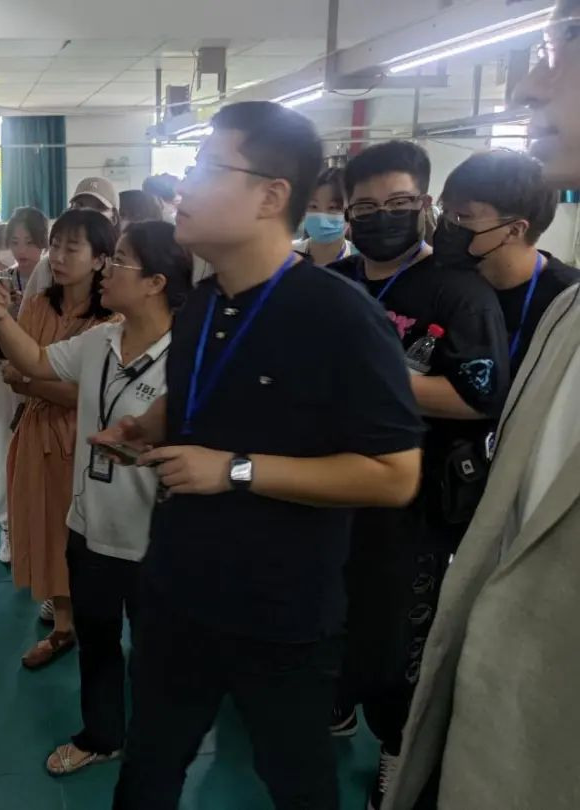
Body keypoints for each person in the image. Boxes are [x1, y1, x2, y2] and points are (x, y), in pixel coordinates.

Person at [93, 101, 425, 810]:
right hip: (177, 594)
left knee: (298, 785)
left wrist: (235, 470)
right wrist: (147, 427)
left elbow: (395, 475)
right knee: (146, 775)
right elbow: (202, 398)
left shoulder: (340, 316)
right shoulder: (203, 304)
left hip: (281, 615)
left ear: (272, 196)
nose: (185, 186)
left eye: (207, 168)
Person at [387, 6, 580, 808]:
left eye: (464, 222)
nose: (447, 232)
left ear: (516, 228)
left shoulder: (560, 300)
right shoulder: (444, 290)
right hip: (449, 490)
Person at [329, 141, 511, 810]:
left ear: (426, 205)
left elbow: (477, 396)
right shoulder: (334, 282)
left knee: (399, 637)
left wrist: (374, 380)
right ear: (348, 214)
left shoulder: (457, 292)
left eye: (399, 202)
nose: (382, 216)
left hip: (415, 501)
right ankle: (338, 705)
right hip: (331, 488)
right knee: (333, 614)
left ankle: (398, 753)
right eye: (366, 206)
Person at [0, 221, 191, 777]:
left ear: (155, 282)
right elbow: (37, 361)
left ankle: (158, 743)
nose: (106, 269)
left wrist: (148, 450)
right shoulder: (100, 341)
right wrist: (0, 315)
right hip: (89, 525)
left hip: (153, 537)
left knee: (156, 652)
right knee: (98, 641)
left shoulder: (188, 359)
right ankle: (102, 735)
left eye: (119, 260)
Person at [4, 208, 118, 670]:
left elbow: (85, 392)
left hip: (85, 438)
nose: (59, 256)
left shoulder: (111, 319)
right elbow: (13, 371)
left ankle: (98, 620)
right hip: (38, 433)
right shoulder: (37, 306)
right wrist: (39, 381)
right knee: (49, 527)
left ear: (100, 259)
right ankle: (63, 626)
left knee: (88, 535)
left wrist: (34, 380)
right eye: (55, 246)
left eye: (73, 248)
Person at [437, 149, 578, 375]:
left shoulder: (568, 303)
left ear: (514, 230)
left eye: (463, 216)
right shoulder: (449, 279)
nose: (447, 223)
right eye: (445, 211)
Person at [0, 206, 49, 563]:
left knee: (39, 453)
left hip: (42, 379)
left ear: (43, 243)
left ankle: (37, 527)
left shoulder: (54, 279)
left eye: (30, 242)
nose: (22, 250)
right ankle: (7, 527)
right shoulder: (0, 280)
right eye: (16, 242)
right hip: (3, 375)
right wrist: (2, 312)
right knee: (2, 450)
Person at [21, 176, 121, 304]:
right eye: (79, 206)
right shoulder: (47, 267)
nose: (87, 215)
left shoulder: (121, 270)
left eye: (98, 208)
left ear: (114, 218)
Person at [294, 166, 356, 264]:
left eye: (333, 207)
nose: (322, 219)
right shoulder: (288, 255)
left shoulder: (361, 260)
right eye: (313, 206)